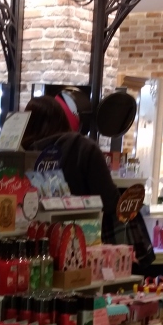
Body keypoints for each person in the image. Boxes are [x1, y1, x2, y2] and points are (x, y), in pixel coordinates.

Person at [21, 96, 119, 237]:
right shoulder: (84, 148)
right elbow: (110, 202)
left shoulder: (19, 154)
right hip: (86, 237)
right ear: (63, 119)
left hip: (31, 237)